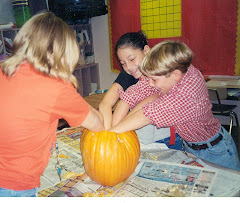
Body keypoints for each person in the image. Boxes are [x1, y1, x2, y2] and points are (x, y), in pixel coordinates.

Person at [0, 12, 104, 197]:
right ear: (55, 55)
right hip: (15, 185)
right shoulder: (56, 87)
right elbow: (97, 124)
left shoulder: (3, 70)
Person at [109, 40, 240, 171]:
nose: (150, 84)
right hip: (192, 147)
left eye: (154, 80)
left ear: (175, 75)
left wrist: (110, 136)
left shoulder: (187, 94)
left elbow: (146, 115)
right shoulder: (177, 71)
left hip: (215, 152)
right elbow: (139, 90)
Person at [99, 31, 181, 148]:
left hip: (166, 141)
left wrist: (116, 131)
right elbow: (112, 105)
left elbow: (152, 102)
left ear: (146, 50)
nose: (129, 67)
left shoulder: (165, 75)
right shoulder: (134, 85)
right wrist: (110, 135)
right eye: (123, 64)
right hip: (143, 142)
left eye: (132, 59)